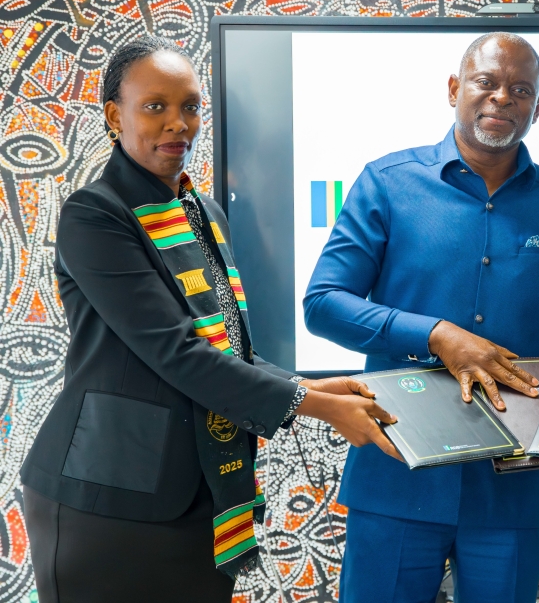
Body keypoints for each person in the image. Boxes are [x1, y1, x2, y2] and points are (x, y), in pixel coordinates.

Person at [19, 36, 399, 603]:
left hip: (199, 486)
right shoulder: (95, 214)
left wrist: (305, 385)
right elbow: (175, 352)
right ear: (112, 115)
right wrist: (315, 406)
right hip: (107, 494)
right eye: (156, 107)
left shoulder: (202, 210)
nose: (179, 124)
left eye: (191, 106)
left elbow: (226, 348)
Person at [304, 32, 539, 602]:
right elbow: (324, 304)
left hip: (511, 489)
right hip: (398, 468)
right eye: (487, 82)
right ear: (455, 88)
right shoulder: (387, 183)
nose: (502, 98)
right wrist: (437, 335)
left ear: (538, 108)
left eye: (521, 90)